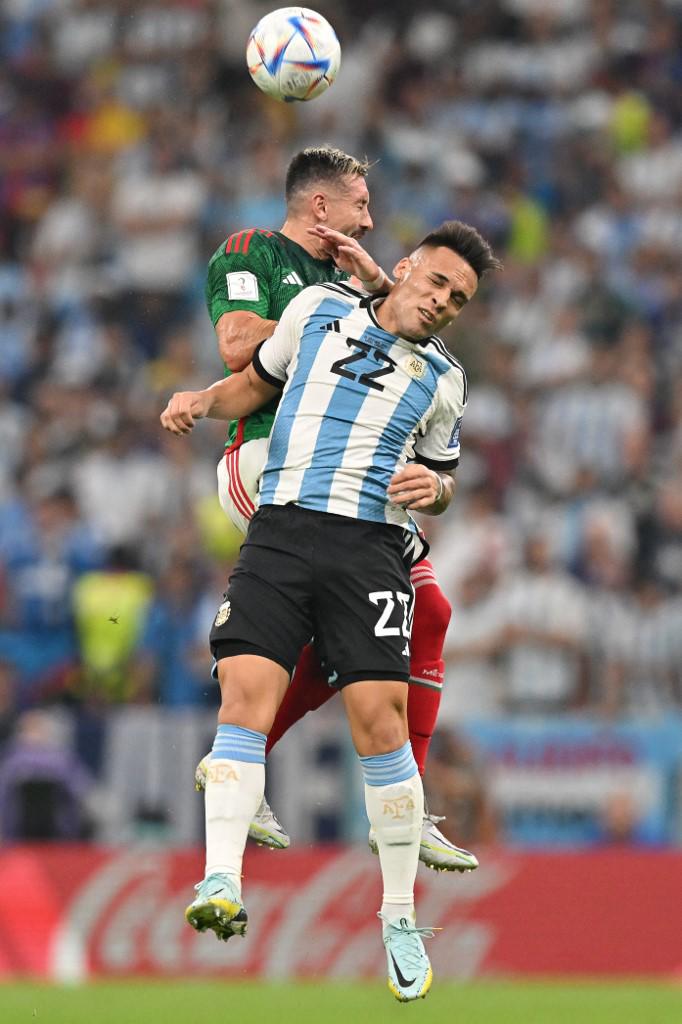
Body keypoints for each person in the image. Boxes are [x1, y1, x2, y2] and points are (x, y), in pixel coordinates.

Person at [161, 220, 502, 1002]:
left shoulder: (444, 378)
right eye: (438, 282)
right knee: (243, 701)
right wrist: (202, 401)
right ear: (405, 269)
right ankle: (221, 879)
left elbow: (443, 477)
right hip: (280, 533)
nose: (443, 302)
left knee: (381, 727)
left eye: (459, 298)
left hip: (369, 552)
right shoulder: (317, 309)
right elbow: (256, 385)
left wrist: (436, 489)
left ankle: (399, 919)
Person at [195, 144, 477, 873]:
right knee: (347, 620)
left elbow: (398, 349)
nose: (370, 220)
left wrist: (380, 295)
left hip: (347, 472)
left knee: (427, 614)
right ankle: (248, 759)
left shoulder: (351, 280)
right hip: (268, 460)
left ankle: (399, 798)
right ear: (321, 205)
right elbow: (237, 345)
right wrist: (354, 306)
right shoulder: (254, 252)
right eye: (361, 204)